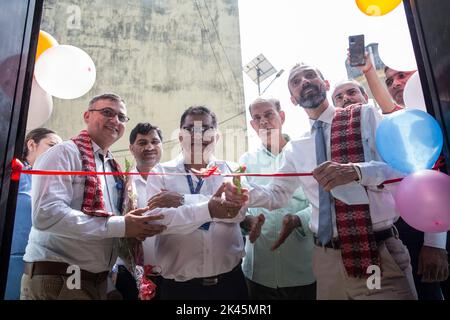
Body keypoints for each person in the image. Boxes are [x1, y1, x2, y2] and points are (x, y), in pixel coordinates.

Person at [226, 64, 418, 300]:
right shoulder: (297, 147)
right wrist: (245, 195)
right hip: (327, 261)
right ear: (293, 100)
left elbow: (400, 171)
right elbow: (276, 194)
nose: (304, 81)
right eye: (296, 81)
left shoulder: (363, 116)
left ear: (326, 84)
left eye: (310, 75)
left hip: (374, 253)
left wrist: (357, 171)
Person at [20, 93, 167, 300]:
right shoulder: (63, 154)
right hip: (60, 279)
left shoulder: (111, 166)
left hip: (94, 281)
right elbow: (47, 214)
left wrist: (107, 285)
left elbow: (104, 232)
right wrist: (122, 225)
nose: (115, 120)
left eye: (121, 117)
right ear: (87, 116)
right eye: (107, 112)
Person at [357, 55, 449, 300]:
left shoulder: (440, 114)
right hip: (412, 233)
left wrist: (436, 243)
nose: (396, 83)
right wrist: (368, 71)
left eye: (402, 75)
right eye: (389, 80)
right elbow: (390, 110)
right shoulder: (400, 126)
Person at [145, 106, 249, 300]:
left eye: (206, 129)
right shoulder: (161, 172)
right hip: (179, 290)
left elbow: (238, 212)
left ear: (216, 136)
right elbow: (158, 221)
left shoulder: (231, 170)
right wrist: (211, 209)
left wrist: (183, 201)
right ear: (180, 136)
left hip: (230, 285)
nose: (197, 135)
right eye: (190, 129)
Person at [240, 97, 316, 300]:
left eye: (268, 114)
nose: (263, 121)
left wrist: (298, 219)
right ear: (253, 125)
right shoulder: (246, 162)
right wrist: (248, 221)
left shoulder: (304, 155)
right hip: (258, 272)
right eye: (257, 118)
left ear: (281, 116)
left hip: (302, 269)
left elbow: (320, 202)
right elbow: (241, 206)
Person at [5, 128, 62, 300]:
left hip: (42, 266)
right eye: (52, 145)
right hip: (11, 259)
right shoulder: (13, 175)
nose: (57, 153)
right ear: (31, 144)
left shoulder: (57, 183)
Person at [112, 122, 165, 300]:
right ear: (131, 148)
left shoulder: (174, 180)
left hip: (171, 275)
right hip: (129, 274)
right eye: (142, 143)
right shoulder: (121, 184)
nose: (149, 147)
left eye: (154, 142)